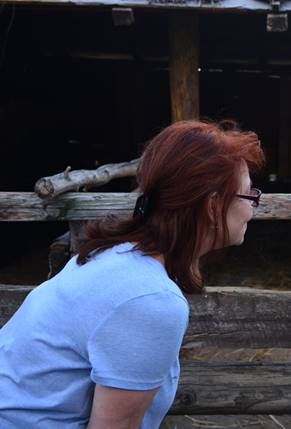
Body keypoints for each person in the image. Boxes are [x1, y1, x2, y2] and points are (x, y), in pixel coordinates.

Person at [0, 120, 265, 428]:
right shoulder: (149, 300)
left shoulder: (112, 254)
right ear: (212, 205)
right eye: (249, 196)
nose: (252, 209)